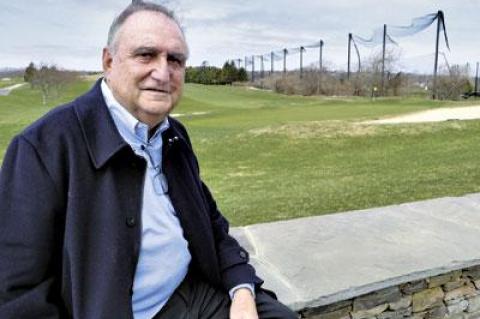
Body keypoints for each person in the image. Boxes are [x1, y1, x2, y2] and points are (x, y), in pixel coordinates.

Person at [0, 2, 298, 319]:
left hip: (193, 295)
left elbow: (211, 223)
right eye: (146, 55)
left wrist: (242, 291)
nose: (163, 72)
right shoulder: (44, 147)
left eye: (175, 60)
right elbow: (17, 294)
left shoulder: (173, 135)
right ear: (109, 61)